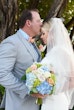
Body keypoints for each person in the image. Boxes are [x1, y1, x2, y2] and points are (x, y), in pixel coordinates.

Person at [0, 9, 46, 110]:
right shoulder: (11, 43)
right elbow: (2, 74)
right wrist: (28, 90)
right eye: (38, 21)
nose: (41, 24)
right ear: (28, 23)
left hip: (34, 105)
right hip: (18, 105)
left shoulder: (32, 42)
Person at [39, 18, 74, 110]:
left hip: (57, 101)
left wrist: (53, 90)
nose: (41, 37)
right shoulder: (52, 52)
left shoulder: (62, 51)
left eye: (43, 33)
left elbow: (72, 79)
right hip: (47, 100)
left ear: (52, 34)